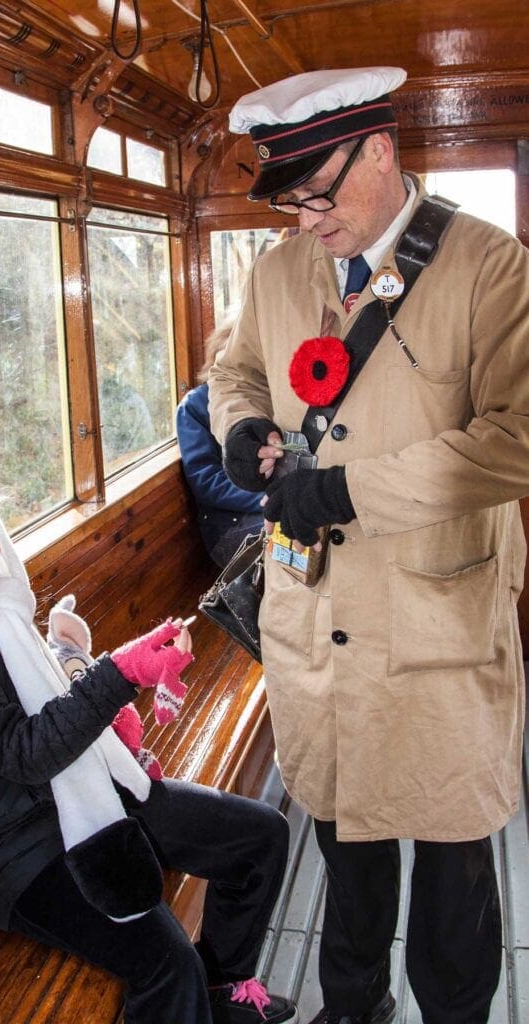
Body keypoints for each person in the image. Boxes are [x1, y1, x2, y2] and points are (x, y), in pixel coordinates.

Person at [208, 65, 529, 1024]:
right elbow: (233, 367)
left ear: (379, 151)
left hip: (433, 630)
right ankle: (353, 1010)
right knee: (344, 854)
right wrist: (238, 424)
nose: (304, 218)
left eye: (317, 192)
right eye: (288, 198)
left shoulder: (489, 265)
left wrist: (346, 489)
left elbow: (515, 438)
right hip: (315, 629)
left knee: (449, 874)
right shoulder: (274, 271)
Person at [0, 438, 298, 1024]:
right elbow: (25, 750)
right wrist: (120, 673)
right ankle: (192, 996)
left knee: (259, 838)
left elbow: (45, 694)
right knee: (165, 964)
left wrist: (86, 665)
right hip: (9, 848)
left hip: (78, 789)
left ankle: (220, 993)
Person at [176, 319, 263, 567]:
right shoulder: (194, 407)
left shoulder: (263, 399)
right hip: (231, 527)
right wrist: (267, 499)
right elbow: (207, 481)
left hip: (273, 512)